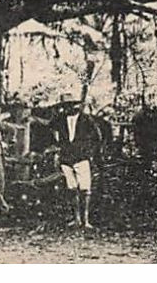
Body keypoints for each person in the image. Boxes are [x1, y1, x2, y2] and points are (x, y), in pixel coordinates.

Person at [51, 95, 105, 228]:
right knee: (72, 188)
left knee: (85, 188)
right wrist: (57, 145)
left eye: (71, 105)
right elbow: (49, 127)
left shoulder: (86, 119)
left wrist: (90, 150)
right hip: (66, 158)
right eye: (65, 106)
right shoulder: (60, 119)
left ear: (76, 105)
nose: (69, 108)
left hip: (82, 157)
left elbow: (97, 136)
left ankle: (86, 220)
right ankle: (77, 218)